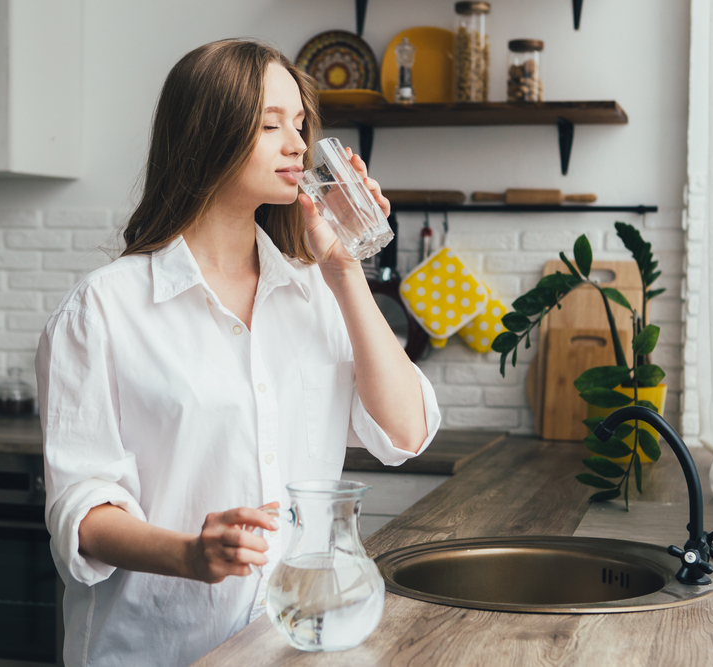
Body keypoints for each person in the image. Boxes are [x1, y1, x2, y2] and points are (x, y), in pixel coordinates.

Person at [35, 39, 440, 667]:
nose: (299, 146)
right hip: (154, 649)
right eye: (271, 125)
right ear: (206, 134)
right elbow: (81, 510)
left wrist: (345, 266)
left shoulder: (318, 289)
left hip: (292, 644)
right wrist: (190, 556)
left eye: (300, 126)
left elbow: (405, 431)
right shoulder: (103, 309)